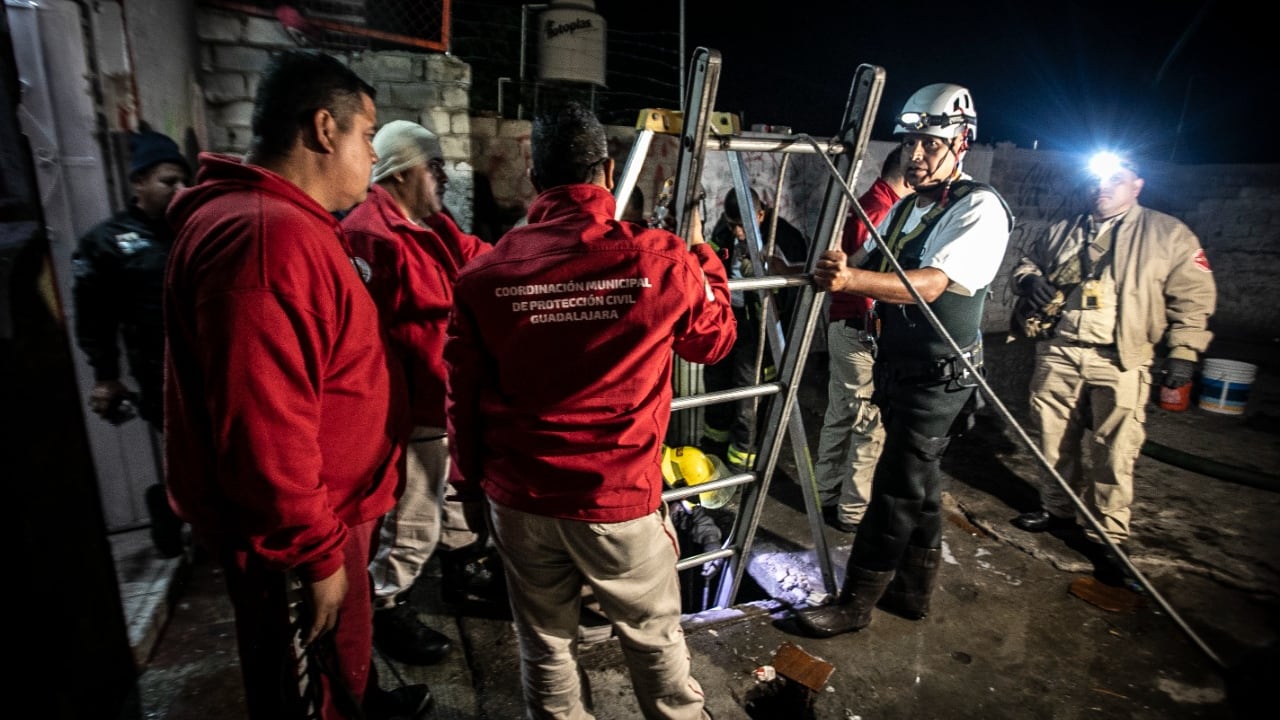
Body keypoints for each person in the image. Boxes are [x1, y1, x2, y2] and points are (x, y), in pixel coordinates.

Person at [444, 101, 734, 719]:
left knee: (545, 647)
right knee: (653, 642)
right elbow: (713, 342)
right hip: (618, 500)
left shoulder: (482, 275)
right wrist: (706, 259)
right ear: (606, 170)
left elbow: (461, 396)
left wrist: (469, 487)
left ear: (534, 175)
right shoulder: (661, 261)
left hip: (519, 498)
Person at [163, 50, 430, 720]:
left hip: (324, 517)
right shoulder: (263, 239)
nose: (374, 158)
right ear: (323, 129)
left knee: (339, 675)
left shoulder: (284, 225)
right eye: (368, 136)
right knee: (308, 694)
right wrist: (311, 554)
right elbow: (262, 426)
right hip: (300, 534)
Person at [796, 83, 1013, 637]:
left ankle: (854, 605)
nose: (915, 155)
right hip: (899, 367)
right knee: (921, 482)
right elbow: (863, 257)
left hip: (939, 378)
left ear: (962, 142)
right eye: (911, 142)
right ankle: (913, 593)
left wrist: (851, 279)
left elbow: (932, 284)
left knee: (894, 486)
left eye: (930, 144)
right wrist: (822, 263)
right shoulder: (910, 207)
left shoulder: (979, 208)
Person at [1008, 151, 1216, 580]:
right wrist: (1029, 280)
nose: (1102, 189)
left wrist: (1183, 353)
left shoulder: (1168, 234)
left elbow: (1193, 299)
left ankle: (1109, 537)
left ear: (1136, 185)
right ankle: (1057, 509)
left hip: (1121, 359)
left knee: (1115, 450)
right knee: (1051, 439)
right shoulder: (1066, 229)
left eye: (1115, 180)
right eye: (1096, 181)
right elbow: (1027, 262)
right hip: (1060, 349)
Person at [342, 119, 496, 666]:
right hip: (412, 408)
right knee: (412, 517)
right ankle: (384, 604)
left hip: (441, 398)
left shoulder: (426, 224)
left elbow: (477, 255)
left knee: (450, 502)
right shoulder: (371, 235)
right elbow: (368, 337)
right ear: (404, 171)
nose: (444, 177)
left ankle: (461, 575)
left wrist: (533, 253)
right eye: (434, 167)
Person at [71, 128, 190, 558]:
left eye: (183, 181)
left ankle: (187, 511)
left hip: (208, 363)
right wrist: (105, 376)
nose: (178, 190)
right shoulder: (107, 242)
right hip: (156, 368)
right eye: (167, 181)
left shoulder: (193, 229)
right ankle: (168, 508)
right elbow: (94, 317)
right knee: (188, 452)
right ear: (138, 182)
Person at [812, 146, 908, 533]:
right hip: (861, 328)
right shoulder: (884, 209)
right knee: (871, 423)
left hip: (846, 324)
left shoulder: (866, 202)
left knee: (842, 414)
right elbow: (870, 272)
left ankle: (825, 495)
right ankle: (853, 512)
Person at [700, 186, 809, 470]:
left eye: (742, 224)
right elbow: (714, 255)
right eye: (732, 223)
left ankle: (742, 460)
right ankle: (713, 448)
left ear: (760, 214)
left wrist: (769, 273)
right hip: (727, 317)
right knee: (716, 380)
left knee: (748, 391)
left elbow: (801, 278)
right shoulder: (724, 231)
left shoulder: (783, 236)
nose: (737, 231)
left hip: (759, 324)